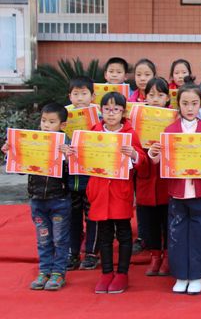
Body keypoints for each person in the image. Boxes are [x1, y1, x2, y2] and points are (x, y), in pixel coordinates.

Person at [148, 81, 201, 295]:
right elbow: (159, 162)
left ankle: (198, 275)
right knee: (178, 233)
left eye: (194, 103)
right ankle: (181, 274)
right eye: (185, 103)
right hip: (178, 190)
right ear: (178, 104)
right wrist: (155, 152)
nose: (190, 108)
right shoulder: (170, 131)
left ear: (200, 104)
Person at [75, 92, 147, 294]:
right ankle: (106, 273)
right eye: (107, 109)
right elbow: (83, 156)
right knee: (104, 234)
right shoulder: (94, 131)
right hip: (99, 190)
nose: (111, 113)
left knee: (123, 233)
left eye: (116, 109)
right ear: (101, 110)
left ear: (123, 112)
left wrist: (133, 154)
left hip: (120, 191)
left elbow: (142, 160)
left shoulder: (130, 133)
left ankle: (122, 273)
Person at [2, 103, 71, 291]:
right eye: (43, 121)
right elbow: (19, 170)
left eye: (52, 122)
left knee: (60, 238)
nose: (46, 125)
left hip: (59, 199)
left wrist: (68, 157)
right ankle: (44, 270)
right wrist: (11, 153)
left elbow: (74, 172)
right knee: (43, 237)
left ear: (62, 125)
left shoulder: (67, 144)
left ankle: (58, 273)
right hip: (37, 199)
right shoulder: (32, 142)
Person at [135, 77, 172, 277]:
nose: (155, 99)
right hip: (146, 179)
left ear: (168, 98)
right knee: (149, 222)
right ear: (145, 97)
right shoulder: (138, 121)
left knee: (167, 221)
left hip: (166, 182)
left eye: (160, 95)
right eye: (151, 95)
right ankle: (155, 255)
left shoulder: (174, 120)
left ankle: (167, 256)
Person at [65, 77, 99, 271]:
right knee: (72, 216)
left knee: (92, 215)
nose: (79, 98)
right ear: (69, 96)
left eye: (84, 94)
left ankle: (92, 253)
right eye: (75, 94)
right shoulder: (63, 117)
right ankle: (73, 252)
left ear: (92, 96)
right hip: (70, 177)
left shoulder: (100, 116)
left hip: (91, 176)